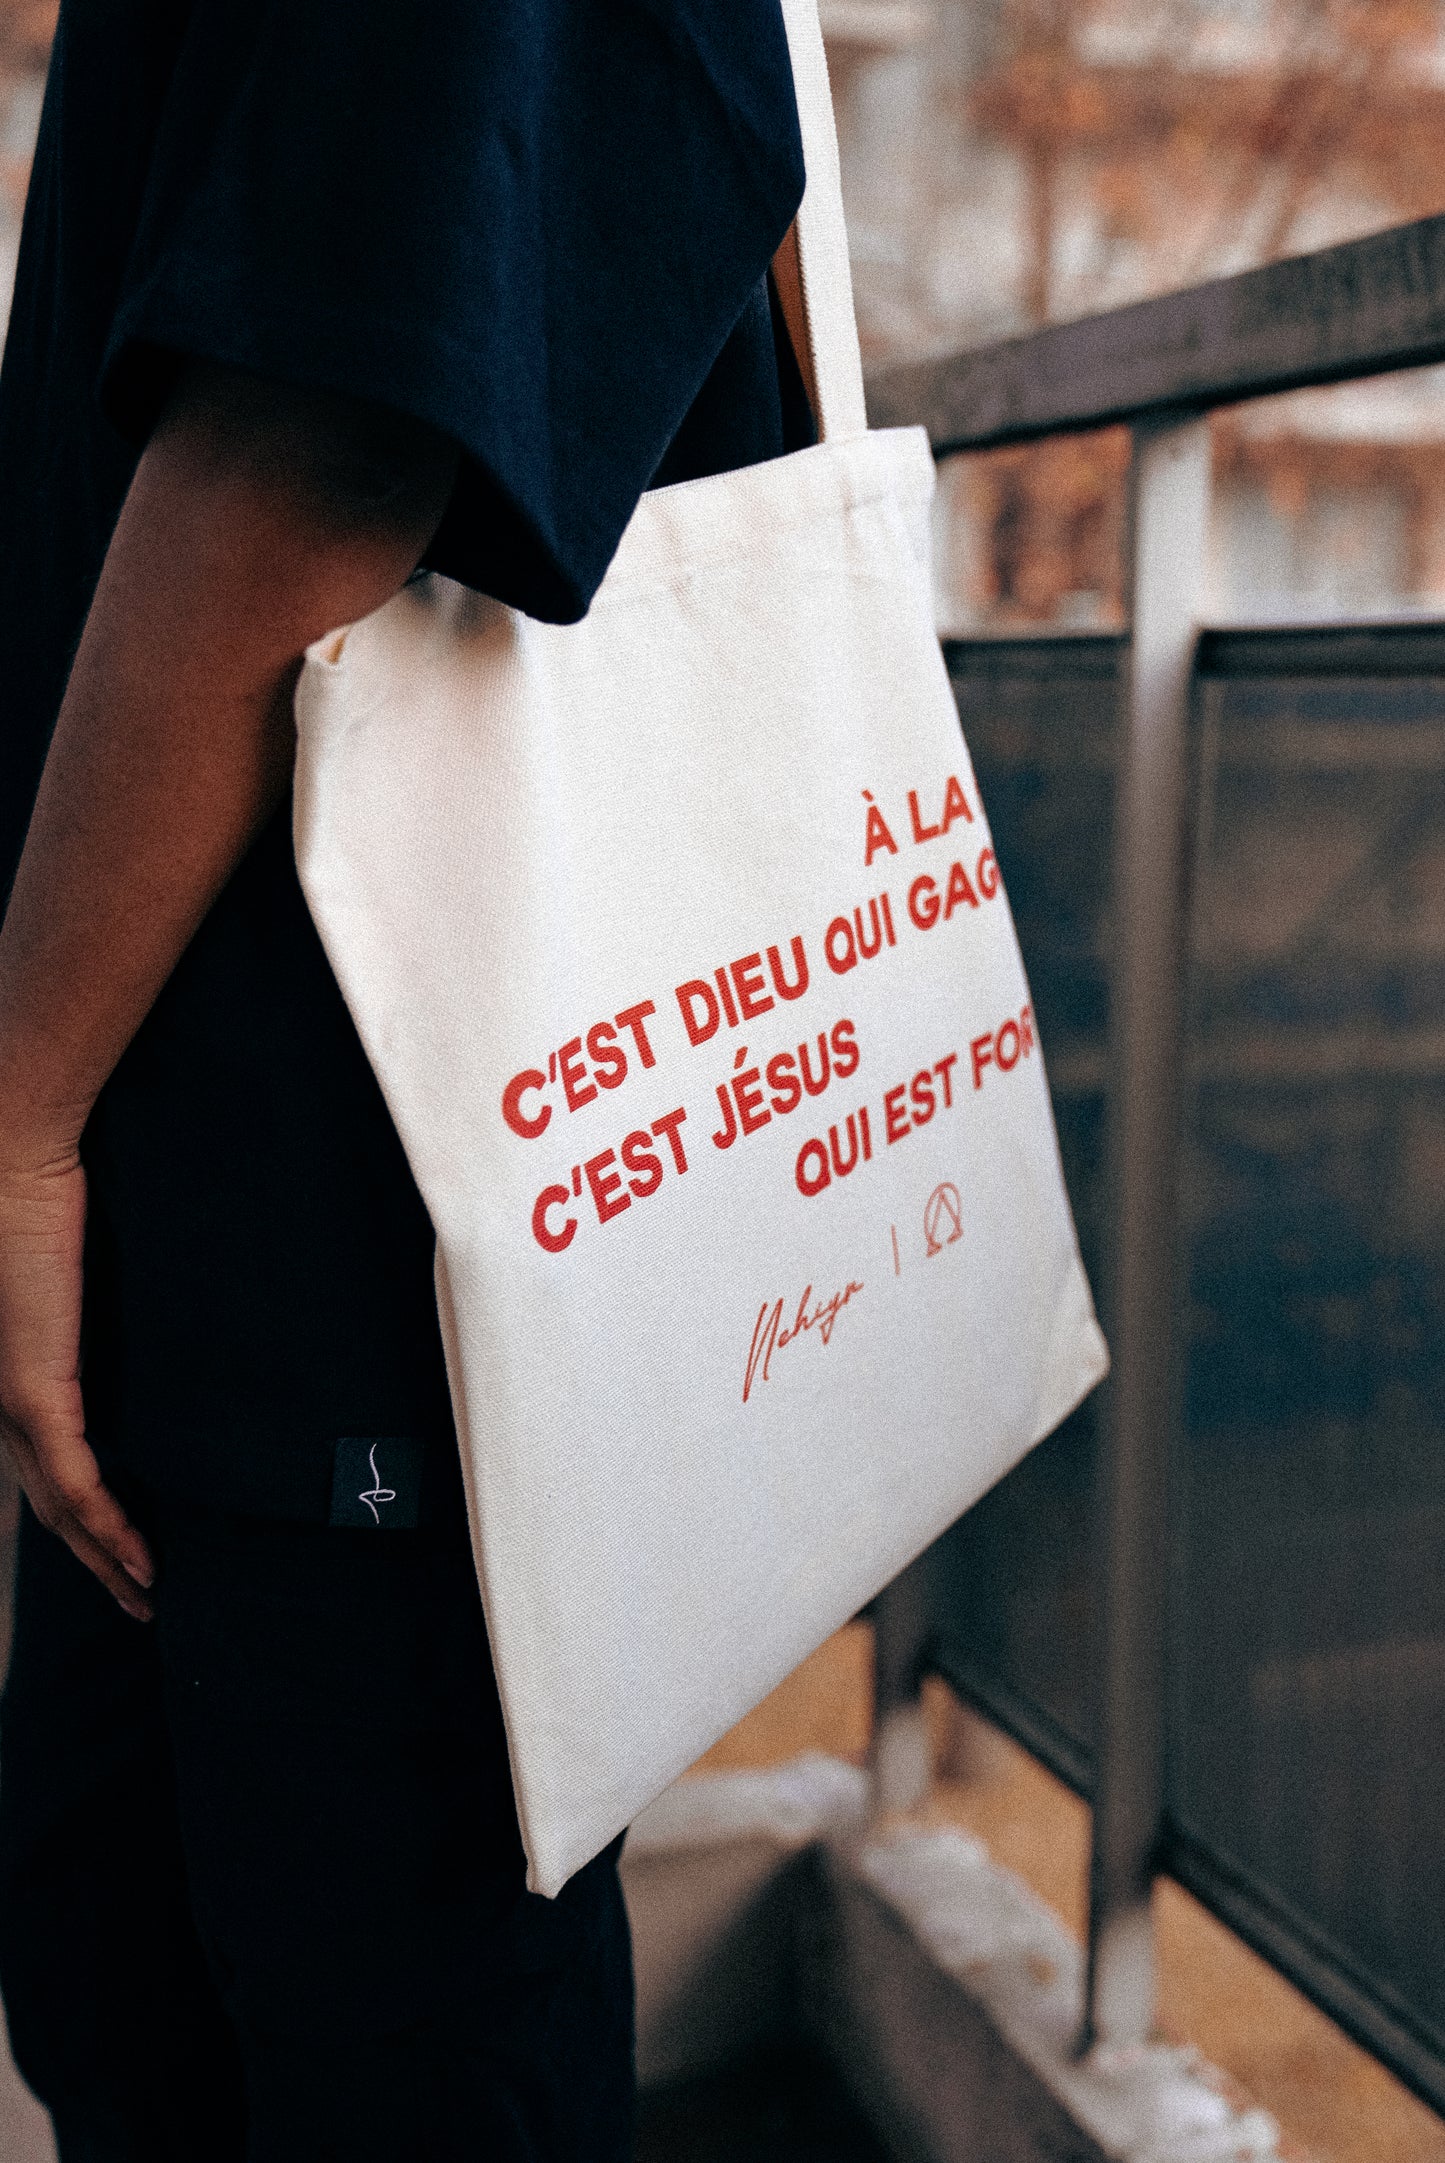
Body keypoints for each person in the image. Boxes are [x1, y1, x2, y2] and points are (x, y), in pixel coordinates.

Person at [0, 2, 815, 2154]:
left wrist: (19, 1111)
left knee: (351, 2031)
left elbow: (339, 400)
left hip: (355, 1248)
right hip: (303, 1236)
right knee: (203, 2004)